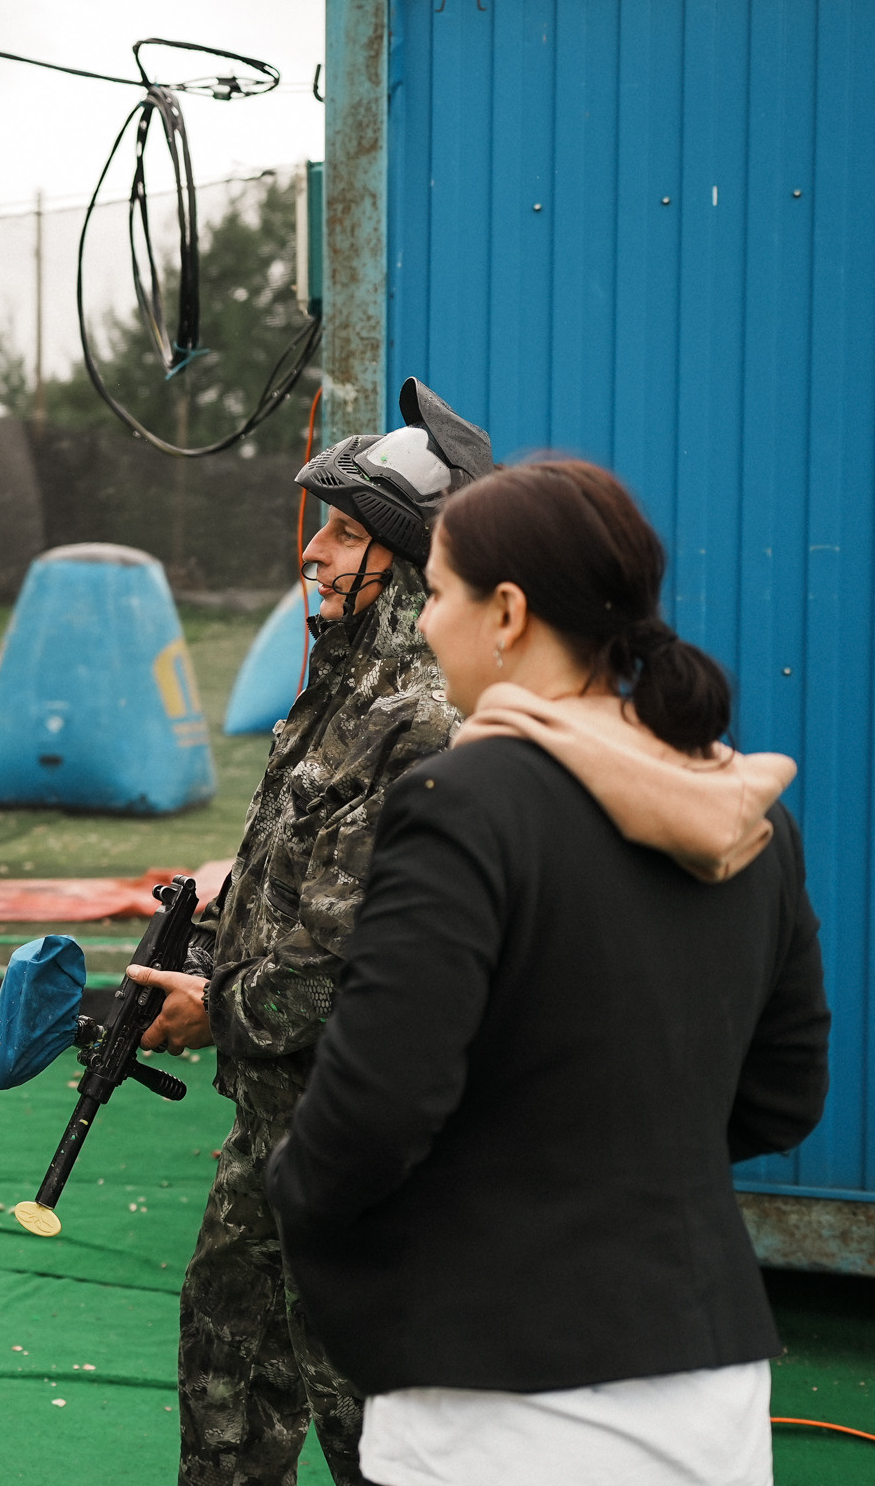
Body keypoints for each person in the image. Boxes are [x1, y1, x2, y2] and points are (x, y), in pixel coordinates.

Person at [266, 459, 827, 1486]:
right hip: (709, 1387)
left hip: (493, 1394)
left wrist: (305, 1202)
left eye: (437, 594)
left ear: (509, 612)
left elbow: (375, 1104)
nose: (428, 622)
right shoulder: (753, 812)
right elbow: (786, 1093)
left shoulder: (465, 800)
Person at [126, 378, 494, 1486]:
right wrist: (214, 914)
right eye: (321, 529)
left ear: (408, 561)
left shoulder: (424, 717)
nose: (317, 554)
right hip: (272, 1132)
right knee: (228, 1378)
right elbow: (298, 873)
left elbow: (352, 960)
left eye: (345, 534)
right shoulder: (336, 688)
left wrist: (213, 1007)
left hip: (360, 1151)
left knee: (367, 1419)